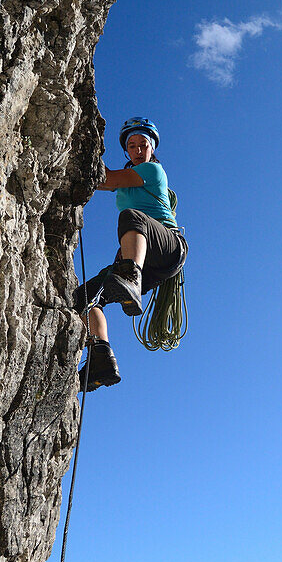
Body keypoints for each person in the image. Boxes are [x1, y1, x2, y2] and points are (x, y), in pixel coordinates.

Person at [73, 118, 188, 391]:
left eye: (143, 144)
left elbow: (106, 178)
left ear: (151, 148)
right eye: (132, 145)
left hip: (168, 246)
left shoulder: (153, 170)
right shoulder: (127, 179)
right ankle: (101, 358)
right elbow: (101, 181)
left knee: (131, 217)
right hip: (146, 255)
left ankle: (130, 277)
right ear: (127, 151)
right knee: (85, 297)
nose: (137, 150)